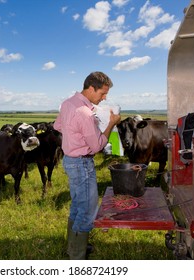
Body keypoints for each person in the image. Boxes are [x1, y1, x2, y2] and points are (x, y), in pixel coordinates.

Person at [54, 71, 121, 260]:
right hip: (82, 163)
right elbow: (98, 145)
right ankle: (77, 257)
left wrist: (75, 135)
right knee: (88, 210)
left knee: (77, 205)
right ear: (91, 88)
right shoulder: (84, 113)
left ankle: (73, 247)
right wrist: (110, 124)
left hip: (70, 161)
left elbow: (58, 126)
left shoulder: (68, 103)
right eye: (102, 93)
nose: (105, 98)